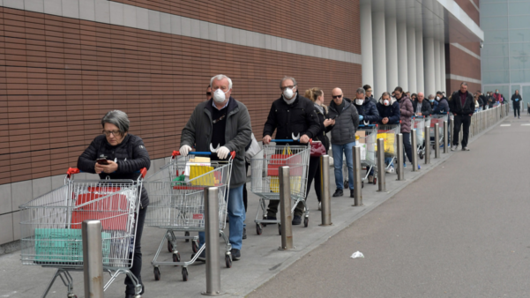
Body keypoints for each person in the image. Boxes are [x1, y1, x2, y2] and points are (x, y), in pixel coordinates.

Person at [77, 110, 150, 298]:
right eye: (107, 131)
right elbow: (82, 160)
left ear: (124, 130)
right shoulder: (99, 142)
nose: (110, 136)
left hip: (134, 201)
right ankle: (131, 279)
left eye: (115, 132)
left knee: (132, 245)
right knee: (113, 244)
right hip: (109, 201)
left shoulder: (134, 141)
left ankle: (132, 287)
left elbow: (144, 161)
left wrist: (118, 167)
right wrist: (94, 166)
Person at [180, 74, 252, 261]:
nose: (219, 90)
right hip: (205, 165)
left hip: (231, 166)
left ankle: (235, 245)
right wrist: (187, 143)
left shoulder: (239, 109)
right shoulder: (201, 109)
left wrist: (230, 146)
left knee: (235, 209)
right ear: (210, 89)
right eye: (215, 87)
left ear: (230, 91)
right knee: (206, 210)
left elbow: (245, 134)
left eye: (223, 87)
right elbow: (189, 130)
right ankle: (204, 247)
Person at [263, 76, 320, 225]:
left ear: (295, 87)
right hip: (281, 148)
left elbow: (315, 124)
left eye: (289, 86)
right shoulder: (276, 105)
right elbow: (270, 122)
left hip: (299, 149)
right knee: (277, 179)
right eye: (283, 87)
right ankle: (271, 212)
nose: (287, 90)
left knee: (299, 180)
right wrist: (267, 134)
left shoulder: (306, 104)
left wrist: (307, 135)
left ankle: (298, 211)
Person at [304, 87, 334, 210]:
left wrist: (330, 125)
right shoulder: (311, 110)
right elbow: (314, 128)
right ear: (319, 97)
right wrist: (324, 125)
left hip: (321, 145)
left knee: (320, 175)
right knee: (309, 176)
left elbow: (322, 129)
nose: (324, 97)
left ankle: (321, 200)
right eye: (323, 95)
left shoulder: (322, 109)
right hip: (314, 146)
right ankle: (301, 204)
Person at [327, 87, 359, 198]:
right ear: (332, 97)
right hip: (336, 141)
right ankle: (339, 188)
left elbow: (356, 121)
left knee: (351, 165)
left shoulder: (351, 107)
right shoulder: (329, 109)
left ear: (342, 95)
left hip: (349, 140)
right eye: (335, 97)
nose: (337, 98)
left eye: (339, 96)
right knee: (337, 166)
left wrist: (352, 132)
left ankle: (353, 189)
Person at [376, 92, 400, 173]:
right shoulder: (378, 105)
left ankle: (390, 165)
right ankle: (384, 164)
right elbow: (376, 115)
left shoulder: (395, 104)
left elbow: (397, 115)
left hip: (392, 128)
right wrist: (381, 120)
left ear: (390, 98)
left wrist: (389, 119)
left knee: (389, 147)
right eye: (384, 99)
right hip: (381, 128)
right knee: (382, 147)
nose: (385, 100)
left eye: (387, 99)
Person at [395, 87, 417, 169]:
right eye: (395, 94)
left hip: (405, 124)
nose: (396, 96)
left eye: (398, 94)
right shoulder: (394, 101)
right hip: (397, 125)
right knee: (399, 145)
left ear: (401, 93)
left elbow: (411, 112)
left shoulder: (407, 100)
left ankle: (413, 161)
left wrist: (401, 111)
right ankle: (402, 162)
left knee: (406, 143)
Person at [449, 82, 475, 151]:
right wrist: (454, 112)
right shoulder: (455, 94)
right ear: (460, 87)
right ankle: (455, 144)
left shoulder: (470, 95)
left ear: (467, 88)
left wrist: (471, 112)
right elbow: (451, 103)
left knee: (466, 130)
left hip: (467, 114)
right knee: (456, 129)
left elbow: (473, 104)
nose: (463, 89)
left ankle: (464, 145)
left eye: (465, 88)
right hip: (458, 114)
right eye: (462, 88)